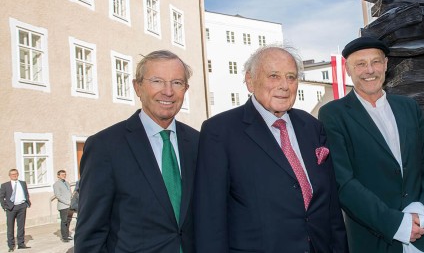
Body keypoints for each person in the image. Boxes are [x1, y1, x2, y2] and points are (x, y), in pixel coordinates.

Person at [194, 45, 347, 253]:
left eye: (291, 77)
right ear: (250, 81)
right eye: (274, 76)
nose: (284, 85)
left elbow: (330, 207)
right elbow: (210, 218)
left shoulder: (312, 126)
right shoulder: (220, 131)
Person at [319, 37, 424, 253]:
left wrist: (422, 211)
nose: (370, 70)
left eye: (376, 62)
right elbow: (344, 183)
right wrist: (396, 224)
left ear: (386, 64)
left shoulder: (409, 107)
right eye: (360, 64)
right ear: (348, 69)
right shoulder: (333, 114)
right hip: (374, 240)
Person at [75, 50, 199, 252]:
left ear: (185, 89)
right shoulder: (105, 147)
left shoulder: (198, 143)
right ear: (137, 87)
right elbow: (91, 234)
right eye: (157, 81)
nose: (168, 91)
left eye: (177, 83)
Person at [0, 169, 31, 251]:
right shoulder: (5, 185)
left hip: (22, 207)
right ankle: (11, 246)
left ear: (18, 174)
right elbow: (1, 197)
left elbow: (26, 193)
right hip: (11, 208)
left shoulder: (23, 183)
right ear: (9, 175)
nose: (14, 175)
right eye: (12, 174)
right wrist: (5, 206)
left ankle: (21, 244)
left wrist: (26, 203)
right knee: (10, 227)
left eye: (16, 174)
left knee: (21, 226)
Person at [52, 170, 73, 242]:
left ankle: (67, 235)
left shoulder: (67, 183)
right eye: (62, 175)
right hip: (63, 206)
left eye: (65, 174)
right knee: (64, 221)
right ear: (58, 176)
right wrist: (67, 202)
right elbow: (58, 195)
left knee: (68, 221)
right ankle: (64, 237)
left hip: (69, 205)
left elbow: (69, 193)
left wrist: (71, 201)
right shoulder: (56, 184)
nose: (64, 176)